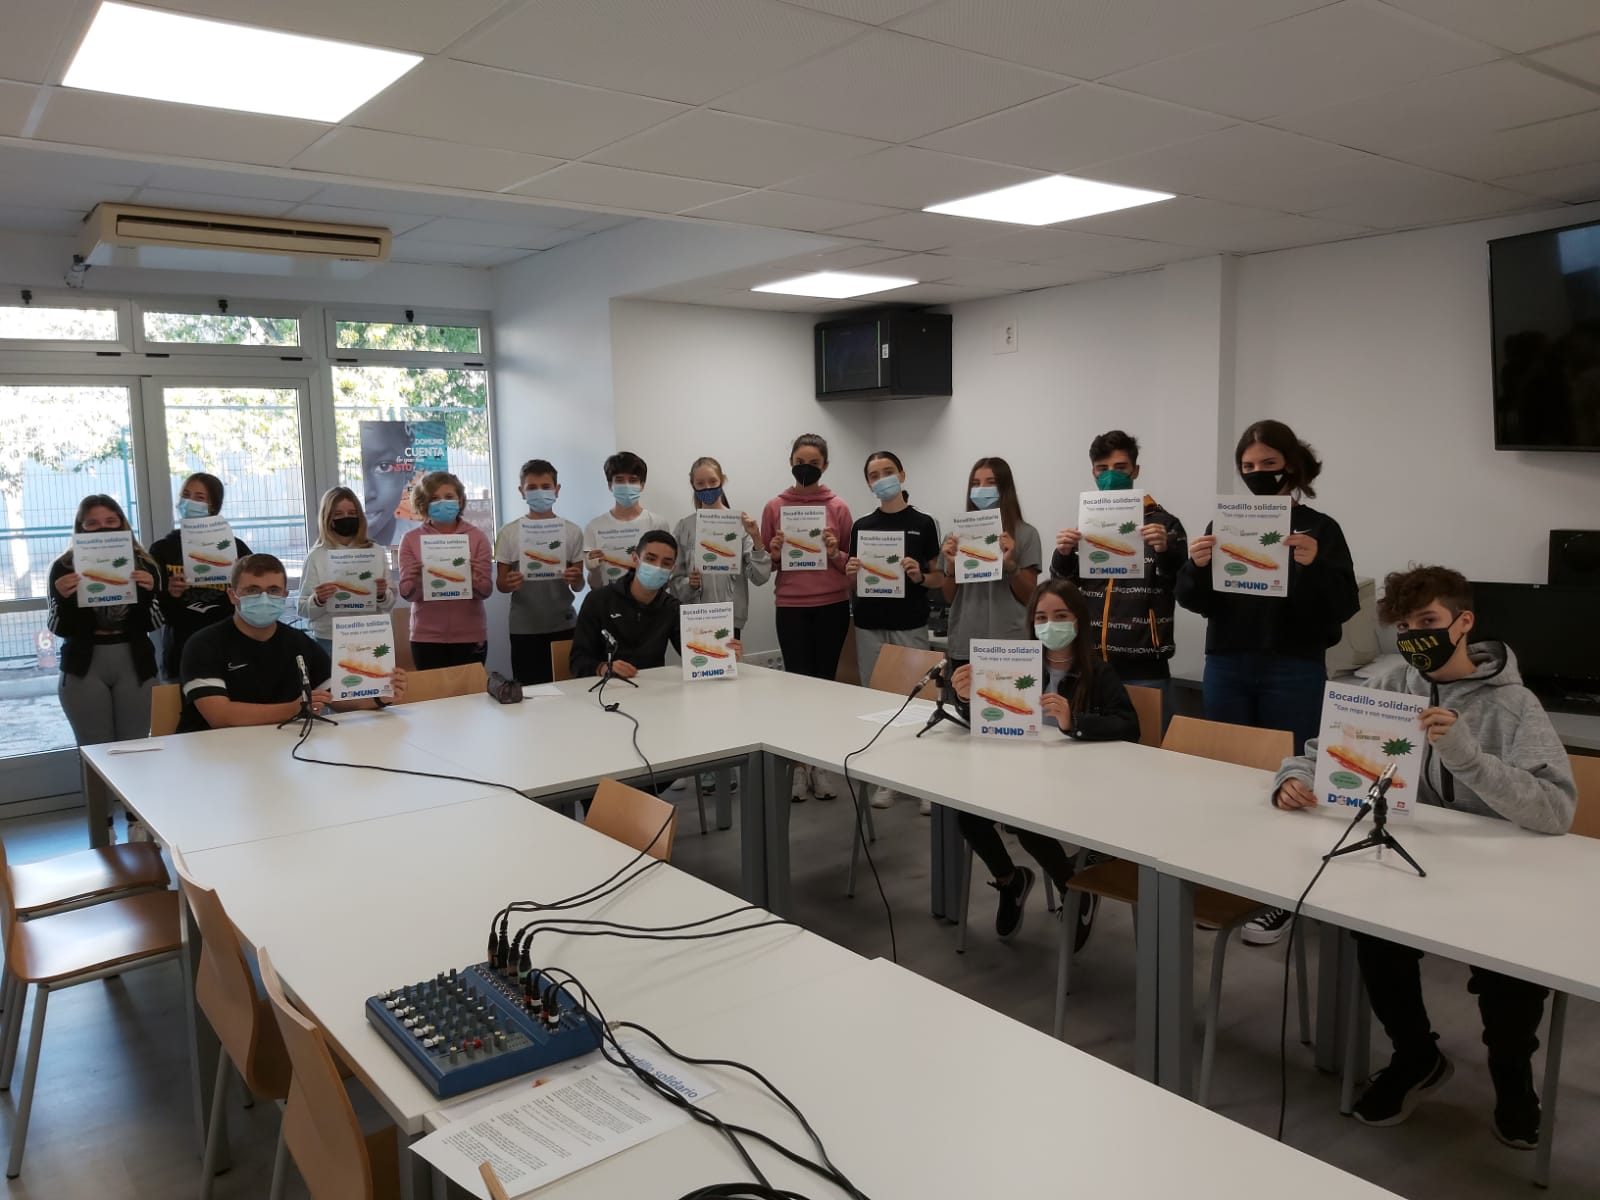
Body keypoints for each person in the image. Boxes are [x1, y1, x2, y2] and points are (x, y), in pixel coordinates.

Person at [1270, 566, 1574, 1148]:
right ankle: (1416, 1055)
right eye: (1405, 626)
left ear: (1463, 622)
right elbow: (1322, 750)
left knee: (1509, 973)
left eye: (1429, 621)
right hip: (1411, 862)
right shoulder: (1390, 686)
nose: (1416, 636)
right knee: (1375, 936)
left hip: (1498, 878)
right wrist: (1293, 776)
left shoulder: (1515, 705)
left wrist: (1467, 756)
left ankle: (1512, 1076)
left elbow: (1556, 810)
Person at [1176, 419, 1359, 947]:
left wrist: (1314, 565)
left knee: (1294, 776)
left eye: (1269, 464)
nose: (1258, 473)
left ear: (1292, 467)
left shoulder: (1321, 528)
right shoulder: (1225, 522)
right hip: (1228, 663)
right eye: (1248, 466)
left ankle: (1285, 894)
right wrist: (1196, 566)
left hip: (1293, 667)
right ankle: (1232, 878)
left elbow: (1344, 605)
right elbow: (1195, 599)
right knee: (1230, 775)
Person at [953, 579, 1139, 941]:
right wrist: (965, 698)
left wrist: (1074, 722)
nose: (1050, 624)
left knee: (1027, 821)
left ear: (1078, 620)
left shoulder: (1097, 672)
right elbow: (987, 719)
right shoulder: (1015, 664)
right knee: (968, 815)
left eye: (1060, 616)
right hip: (1021, 773)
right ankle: (1010, 881)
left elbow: (1130, 726)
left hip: (1077, 781)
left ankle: (1073, 890)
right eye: (1041, 617)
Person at [179, 554, 407, 733]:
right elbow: (220, 716)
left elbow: (336, 697)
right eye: (252, 591)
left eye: (273, 590)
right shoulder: (203, 645)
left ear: (285, 595)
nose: (264, 598)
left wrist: (379, 696)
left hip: (283, 746)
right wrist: (295, 709)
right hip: (214, 753)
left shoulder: (299, 642)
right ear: (232, 596)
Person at [1050, 430, 1186, 730]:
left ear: (1135, 470)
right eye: (1102, 468)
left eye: (1120, 467)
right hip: (1091, 665)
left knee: (1150, 749)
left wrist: (1164, 549)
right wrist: (1063, 554)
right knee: (1090, 745)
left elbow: (1180, 584)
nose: (1111, 475)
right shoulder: (1087, 524)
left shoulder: (1165, 525)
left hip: (1146, 670)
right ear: (1093, 473)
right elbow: (1063, 591)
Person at [47, 495, 164, 841]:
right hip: (84, 665)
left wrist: (148, 591)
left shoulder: (144, 564)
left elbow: (156, 622)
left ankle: (138, 823)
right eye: (93, 524)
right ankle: (101, 829)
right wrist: (62, 599)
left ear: (122, 524)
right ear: (80, 528)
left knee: (134, 749)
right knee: (93, 753)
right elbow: (56, 627)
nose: (102, 529)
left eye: (110, 522)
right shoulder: (63, 567)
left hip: (134, 661)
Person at [844, 450, 942, 810]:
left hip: (909, 623)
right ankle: (887, 779)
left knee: (918, 702)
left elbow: (938, 578)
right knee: (878, 702)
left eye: (888, 471)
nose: (881, 478)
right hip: (870, 624)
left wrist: (919, 575)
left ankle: (923, 782)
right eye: (874, 474)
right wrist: (850, 574)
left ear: (902, 474)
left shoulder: (924, 523)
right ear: (868, 483)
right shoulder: (861, 526)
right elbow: (852, 583)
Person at [760, 434, 853, 803]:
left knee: (825, 687)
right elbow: (765, 565)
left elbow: (852, 564)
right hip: (791, 606)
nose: (806, 468)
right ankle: (799, 766)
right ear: (791, 463)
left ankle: (821, 764)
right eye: (800, 461)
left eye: (814, 463)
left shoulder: (839, 507)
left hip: (832, 605)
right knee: (797, 689)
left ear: (825, 466)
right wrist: (775, 552)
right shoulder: (774, 506)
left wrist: (834, 552)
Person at [940, 456, 1042, 664]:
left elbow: (1031, 598)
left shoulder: (1026, 534)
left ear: (1005, 488)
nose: (981, 489)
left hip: (1010, 645)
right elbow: (949, 597)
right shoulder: (955, 537)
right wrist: (951, 568)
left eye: (990, 482)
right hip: (965, 641)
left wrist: (1011, 566)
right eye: (976, 484)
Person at [150, 471, 252, 681]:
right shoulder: (162, 549)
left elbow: (253, 598)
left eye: (199, 497)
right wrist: (170, 593)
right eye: (185, 495)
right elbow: (154, 612)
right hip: (181, 653)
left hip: (229, 649)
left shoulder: (235, 548)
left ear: (213, 506)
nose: (190, 502)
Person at [494, 458, 584, 685]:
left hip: (564, 624)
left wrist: (576, 578)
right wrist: (509, 582)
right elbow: (501, 585)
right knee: (530, 692)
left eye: (546, 486)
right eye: (532, 487)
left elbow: (579, 585)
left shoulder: (573, 531)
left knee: (569, 687)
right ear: (521, 491)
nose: (539, 492)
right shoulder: (508, 533)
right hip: (524, 628)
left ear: (557, 490)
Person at [397, 471, 494, 669]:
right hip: (426, 638)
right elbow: (407, 594)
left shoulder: (477, 538)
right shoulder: (410, 540)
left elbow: (486, 591)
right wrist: (416, 581)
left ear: (460, 500)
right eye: (434, 498)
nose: (443, 502)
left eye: (449, 496)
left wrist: (473, 578)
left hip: (470, 635)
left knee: (470, 690)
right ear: (424, 503)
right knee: (433, 690)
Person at [570, 530, 697, 678]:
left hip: (652, 686)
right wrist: (603, 668)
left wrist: (720, 649)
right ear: (635, 559)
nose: (657, 567)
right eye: (650, 559)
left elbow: (694, 653)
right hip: (607, 686)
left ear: (672, 569)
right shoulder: (598, 600)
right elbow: (577, 661)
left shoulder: (671, 607)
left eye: (666, 563)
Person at [670, 457, 770, 640]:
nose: (707, 487)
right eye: (700, 483)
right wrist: (689, 584)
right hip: (696, 618)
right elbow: (674, 580)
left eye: (712, 481)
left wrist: (756, 537)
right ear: (693, 485)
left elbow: (760, 577)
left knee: (731, 659)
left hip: (730, 618)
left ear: (722, 481)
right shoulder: (685, 527)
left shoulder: (740, 524)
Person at [297, 486, 396, 658]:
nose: (346, 518)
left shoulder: (376, 552)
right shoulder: (316, 556)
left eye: (352, 513)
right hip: (330, 640)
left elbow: (389, 603)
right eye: (338, 514)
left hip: (371, 633)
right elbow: (302, 610)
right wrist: (319, 600)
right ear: (328, 518)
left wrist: (381, 594)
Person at [583, 451, 670, 593]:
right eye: (619, 480)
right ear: (610, 485)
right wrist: (594, 571)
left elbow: (665, 576)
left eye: (633, 480)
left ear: (642, 485)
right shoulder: (594, 527)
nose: (626, 485)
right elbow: (595, 587)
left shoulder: (657, 524)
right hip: (610, 600)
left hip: (648, 601)